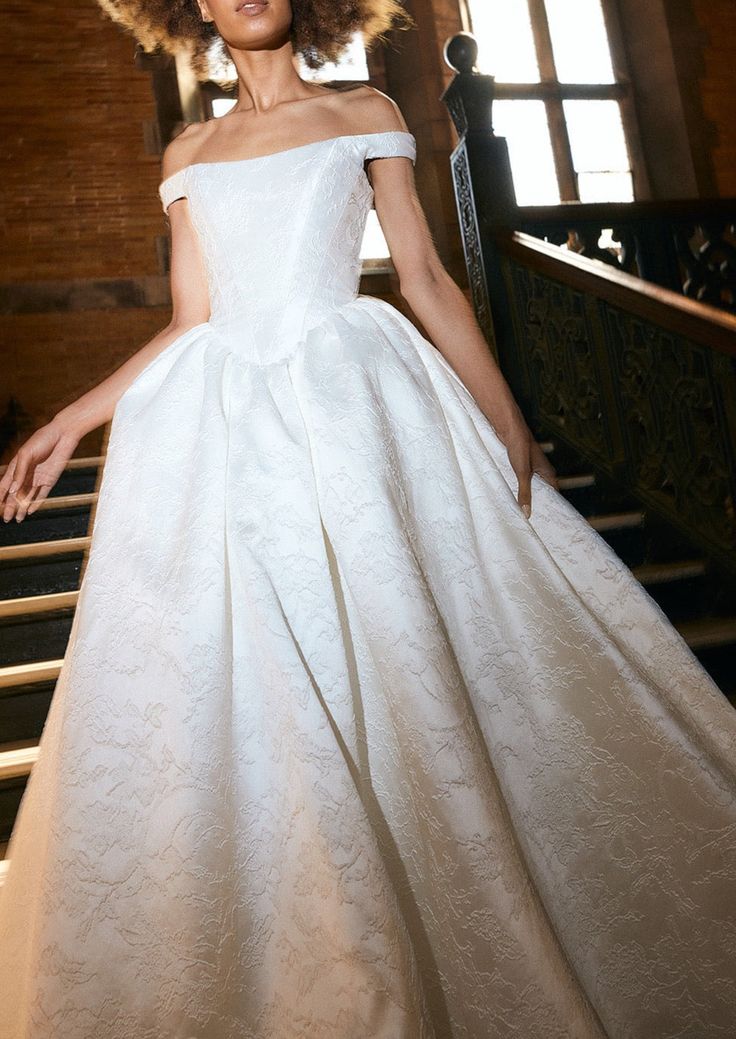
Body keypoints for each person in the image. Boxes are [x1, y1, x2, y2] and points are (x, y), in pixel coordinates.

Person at [0, 1, 734, 1037]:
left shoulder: (367, 110)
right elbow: (190, 321)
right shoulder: (191, 149)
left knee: (388, 666)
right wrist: (72, 420)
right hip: (220, 441)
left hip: (351, 412)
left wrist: (507, 423)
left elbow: (428, 281)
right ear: (193, 8)